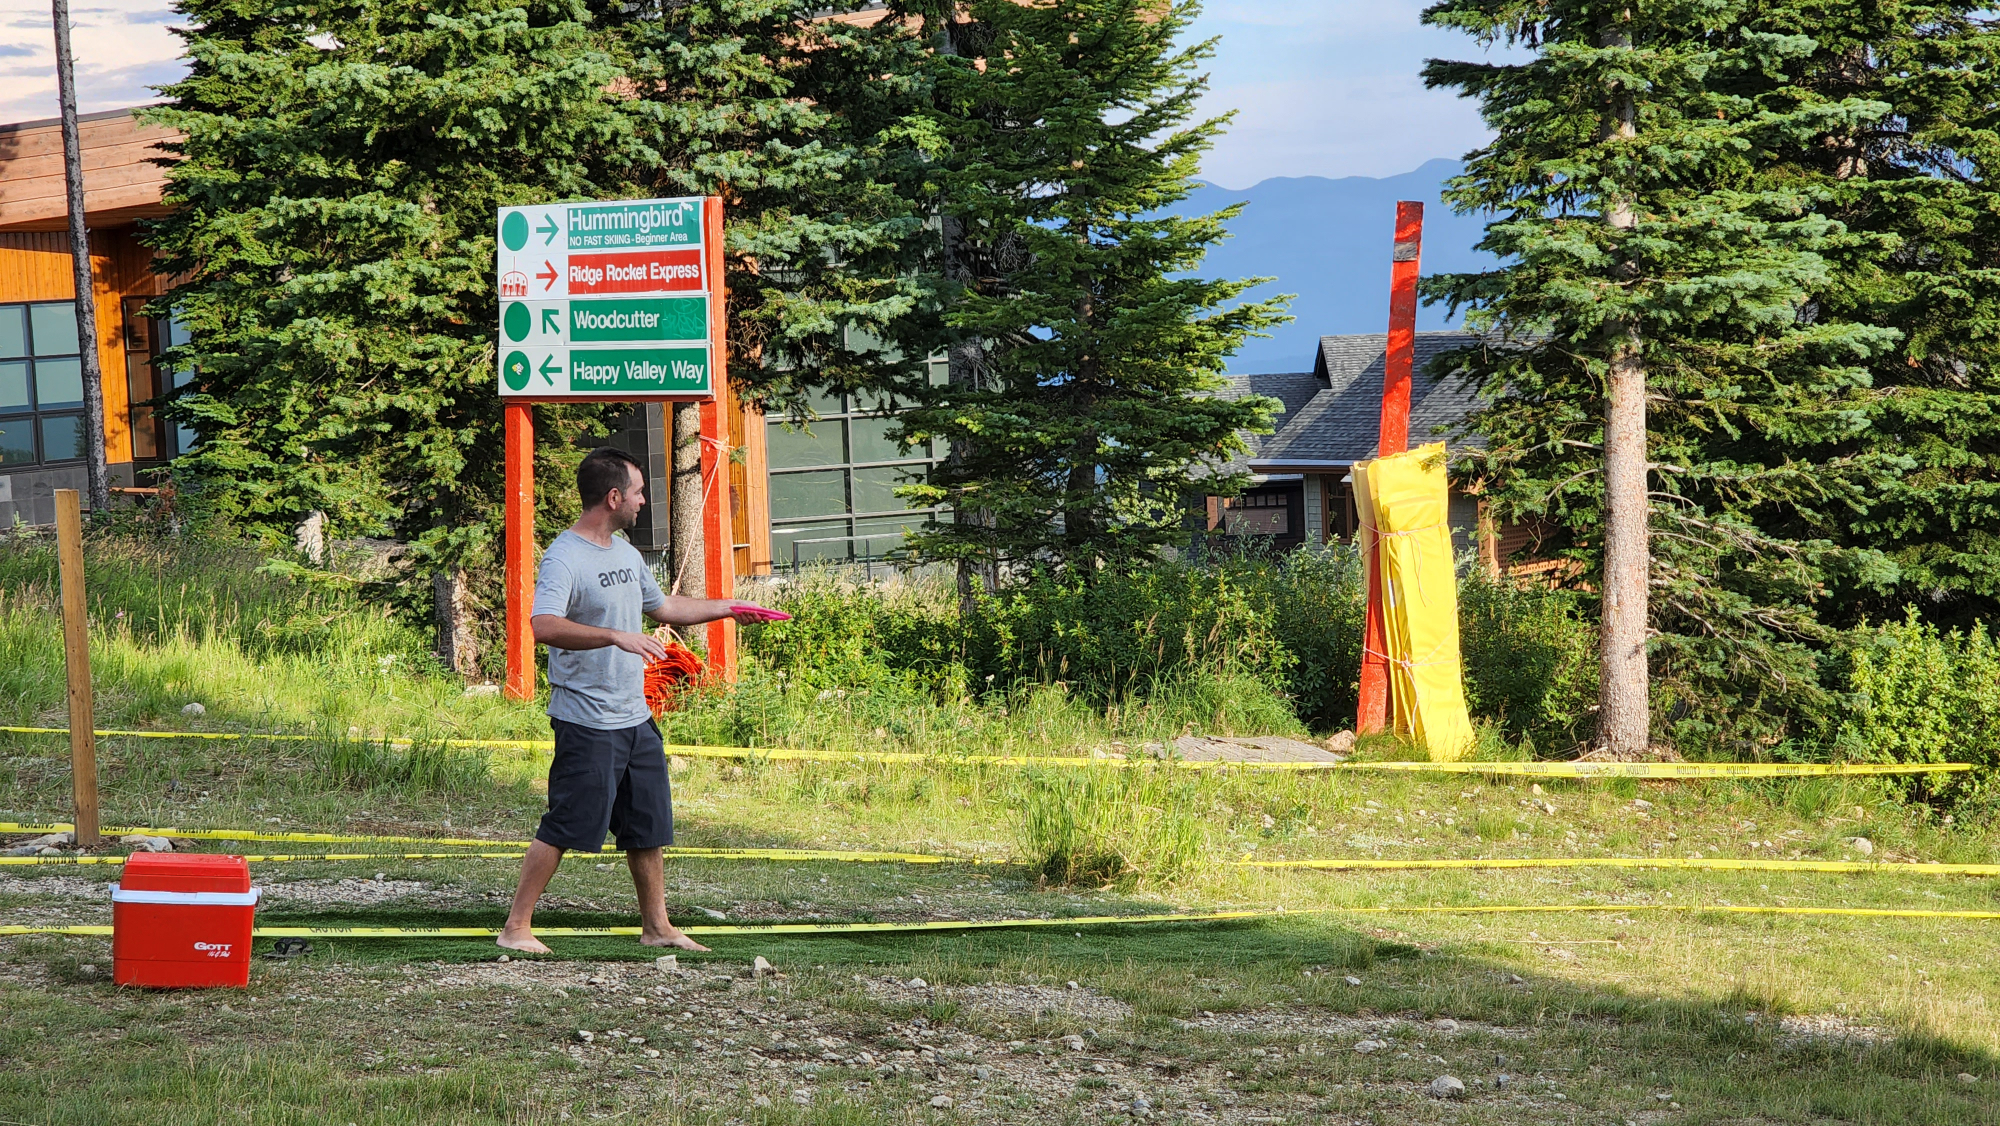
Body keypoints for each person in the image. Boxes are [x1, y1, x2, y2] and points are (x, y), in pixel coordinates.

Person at [498, 446, 773, 954]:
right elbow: (543, 625)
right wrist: (612, 636)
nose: (645, 501)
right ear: (613, 496)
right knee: (566, 823)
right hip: (586, 718)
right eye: (640, 491)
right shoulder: (565, 556)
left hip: (634, 716)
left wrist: (729, 608)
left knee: (647, 825)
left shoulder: (625, 554)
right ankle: (516, 927)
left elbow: (664, 605)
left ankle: (658, 928)